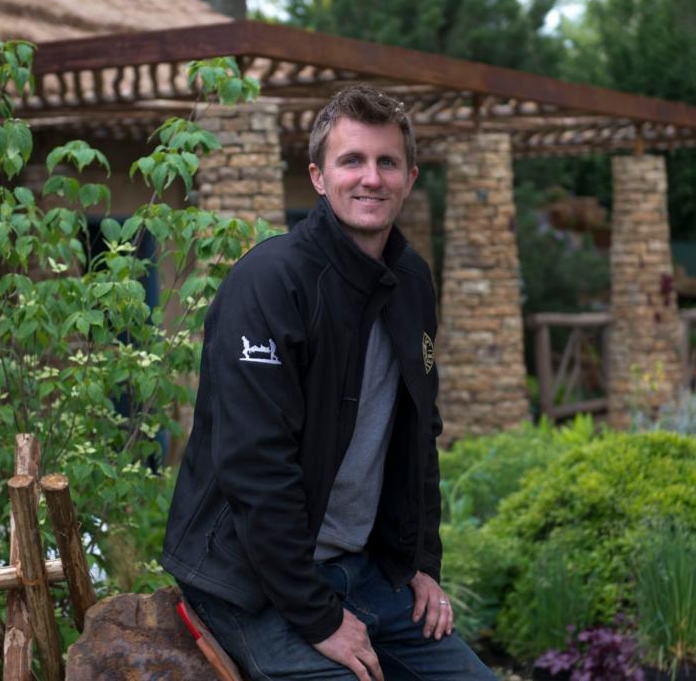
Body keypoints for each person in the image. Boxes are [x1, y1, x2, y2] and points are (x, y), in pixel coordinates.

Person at [161, 85, 496, 681]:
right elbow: (255, 470)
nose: (371, 178)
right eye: (352, 161)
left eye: (386, 162)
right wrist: (320, 619)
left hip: (360, 570)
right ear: (318, 177)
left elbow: (419, 434)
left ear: (410, 177)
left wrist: (420, 563)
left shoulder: (412, 282)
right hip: (246, 581)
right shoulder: (269, 283)